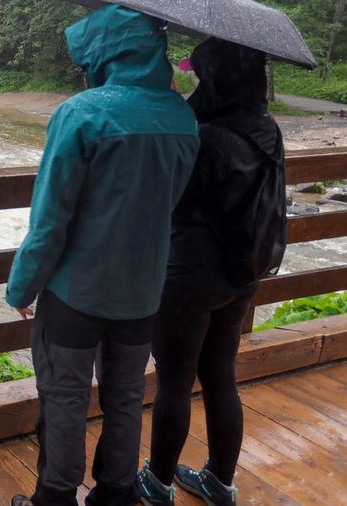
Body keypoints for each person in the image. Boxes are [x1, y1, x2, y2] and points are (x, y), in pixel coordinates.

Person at [6, 4, 199, 506]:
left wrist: (22, 287)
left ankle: (55, 496)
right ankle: (115, 493)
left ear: (104, 53)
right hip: (143, 289)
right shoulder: (181, 116)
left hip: (76, 291)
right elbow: (169, 204)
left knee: (65, 397)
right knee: (126, 396)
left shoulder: (82, 113)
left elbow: (50, 221)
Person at [135, 39, 287, 506]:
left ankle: (157, 482)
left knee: (175, 381)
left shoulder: (205, 136)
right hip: (242, 271)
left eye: (203, 73)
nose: (198, 81)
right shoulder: (266, 129)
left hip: (189, 275)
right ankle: (220, 482)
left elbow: (166, 198)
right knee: (221, 375)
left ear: (217, 77)